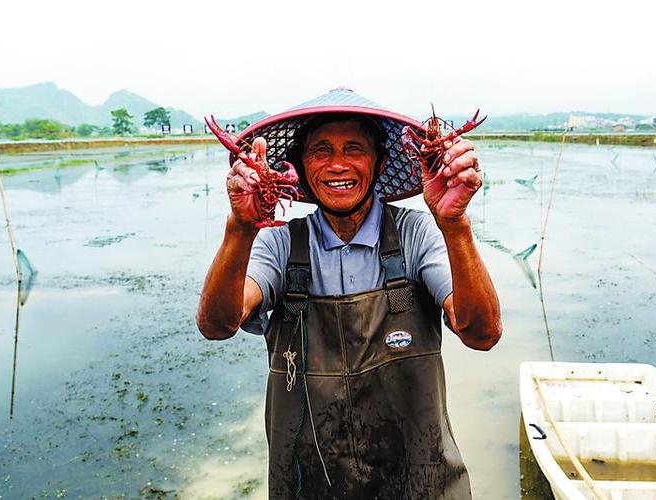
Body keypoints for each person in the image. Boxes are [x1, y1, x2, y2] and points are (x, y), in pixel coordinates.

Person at [197, 88, 501, 499]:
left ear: (378, 161)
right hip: (309, 486)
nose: (337, 164)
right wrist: (240, 228)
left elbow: (482, 334)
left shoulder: (415, 234)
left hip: (422, 484)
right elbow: (217, 325)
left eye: (354, 148)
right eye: (321, 150)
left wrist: (455, 225)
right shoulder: (278, 244)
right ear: (301, 166)